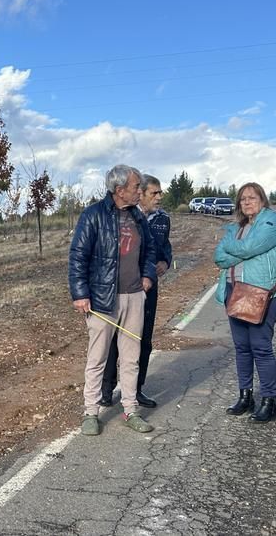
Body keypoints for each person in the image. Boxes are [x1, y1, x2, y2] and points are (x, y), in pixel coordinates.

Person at [68, 165, 158, 435]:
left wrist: (147, 277)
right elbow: (78, 257)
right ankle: (91, 412)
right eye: (135, 187)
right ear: (119, 191)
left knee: (131, 358)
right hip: (102, 299)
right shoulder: (93, 215)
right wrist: (80, 293)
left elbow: (150, 250)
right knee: (97, 358)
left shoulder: (138, 217)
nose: (139, 191)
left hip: (134, 297)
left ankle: (130, 410)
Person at [214, 182, 276, 423]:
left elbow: (249, 247)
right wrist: (237, 251)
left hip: (261, 294)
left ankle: (269, 400)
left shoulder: (272, 222)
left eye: (252, 198)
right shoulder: (237, 227)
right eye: (243, 199)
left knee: (261, 347)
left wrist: (233, 249)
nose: (247, 202)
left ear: (263, 199)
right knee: (242, 347)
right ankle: (245, 396)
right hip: (234, 291)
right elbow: (218, 256)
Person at [100, 174, 171, 409]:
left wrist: (166, 261)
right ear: (140, 194)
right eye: (155, 193)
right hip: (123, 287)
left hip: (148, 287)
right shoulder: (125, 216)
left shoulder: (163, 219)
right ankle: (107, 389)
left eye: (160, 193)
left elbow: (163, 247)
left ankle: (136, 389)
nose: (159, 197)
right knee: (113, 339)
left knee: (144, 338)